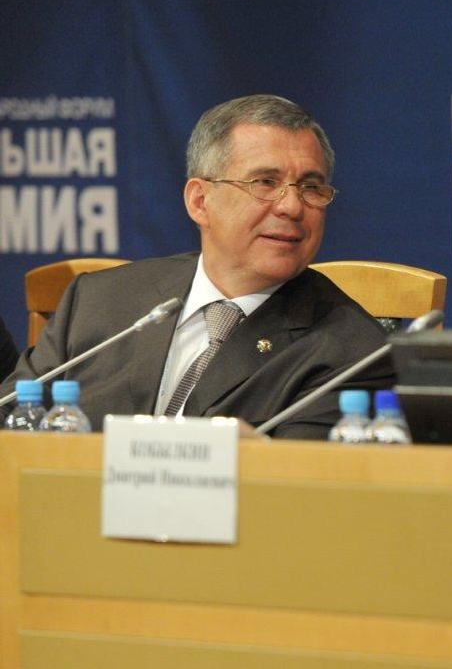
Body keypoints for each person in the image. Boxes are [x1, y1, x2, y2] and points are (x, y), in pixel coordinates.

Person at [0, 95, 391, 438]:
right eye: (264, 182)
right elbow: (11, 425)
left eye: (311, 187)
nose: (292, 206)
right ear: (200, 202)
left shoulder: (352, 353)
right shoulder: (98, 302)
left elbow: (297, 486)